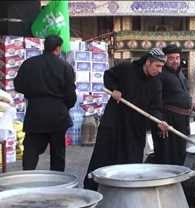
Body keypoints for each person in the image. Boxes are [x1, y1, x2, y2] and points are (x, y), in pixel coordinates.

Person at [83, 48, 169, 190]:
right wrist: (114, 89)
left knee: (131, 164)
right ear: (148, 62)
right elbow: (108, 76)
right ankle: (92, 190)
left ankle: (125, 193)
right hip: (114, 122)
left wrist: (159, 120)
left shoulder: (156, 84)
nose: (160, 70)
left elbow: (156, 108)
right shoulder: (127, 69)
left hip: (135, 128)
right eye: (157, 66)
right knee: (103, 158)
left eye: (162, 67)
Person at [14, 35, 76, 171]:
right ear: (58, 48)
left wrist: (32, 93)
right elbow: (71, 96)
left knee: (31, 150)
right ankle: (58, 184)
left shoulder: (29, 64)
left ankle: (27, 178)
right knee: (58, 154)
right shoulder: (65, 67)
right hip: (58, 115)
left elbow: (18, 85)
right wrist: (64, 105)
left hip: (35, 113)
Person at [151, 44, 195, 165]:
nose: (175, 61)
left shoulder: (180, 73)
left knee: (182, 152)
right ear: (165, 59)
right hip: (168, 122)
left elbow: (183, 92)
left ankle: (180, 180)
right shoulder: (160, 75)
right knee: (168, 156)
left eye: (177, 58)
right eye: (171, 58)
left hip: (183, 121)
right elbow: (154, 101)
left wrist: (191, 101)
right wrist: (159, 121)